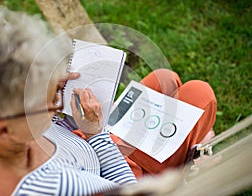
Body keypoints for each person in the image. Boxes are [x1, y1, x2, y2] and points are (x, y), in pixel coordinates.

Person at [0, 8, 137, 195]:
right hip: (109, 168)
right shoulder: (60, 186)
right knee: (165, 82)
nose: (57, 100)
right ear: (4, 130)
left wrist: (43, 83)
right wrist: (96, 134)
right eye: (51, 101)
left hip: (76, 144)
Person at [72, 68, 217, 178]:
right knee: (201, 93)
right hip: (122, 166)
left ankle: (191, 140)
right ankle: (192, 145)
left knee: (164, 78)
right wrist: (97, 133)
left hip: (90, 136)